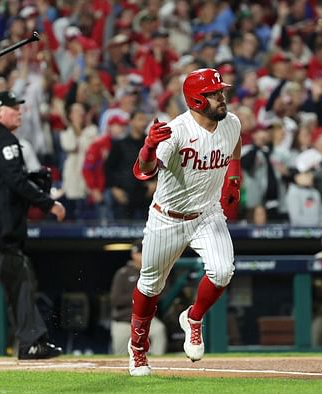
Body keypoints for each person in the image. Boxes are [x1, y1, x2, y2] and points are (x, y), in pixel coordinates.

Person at [126, 68, 242, 376]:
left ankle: (194, 318)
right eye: (215, 94)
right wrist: (149, 146)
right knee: (151, 286)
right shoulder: (177, 131)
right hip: (168, 217)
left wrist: (233, 179)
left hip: (207, 213)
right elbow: (144, 171)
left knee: (222, 271)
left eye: (221, 91)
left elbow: (235, 148)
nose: (222, 97)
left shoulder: (232, 123)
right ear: (196, 100)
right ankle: (137, 350)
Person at [0, 90, 66, 359]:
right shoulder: (7, 141)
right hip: (3, 237)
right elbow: (15, 181)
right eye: (13, 108)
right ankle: (32, 343)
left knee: (22, 280)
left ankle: (32, 342)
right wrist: (48, 203)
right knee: (22, 281)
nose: (20, 112)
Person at [109, 240, 167, 355]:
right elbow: (115, 300)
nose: (143, 256)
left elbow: (162, 294)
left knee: (159, 330)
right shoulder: (123, 273)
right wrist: (139, 297)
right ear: (134, 254)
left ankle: (158, 364)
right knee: (119, 357)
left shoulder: (153, 272)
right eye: (140, 253)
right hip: (124, 320)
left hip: (147, 319)